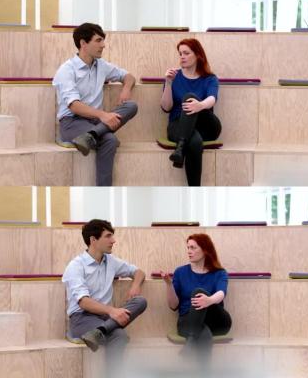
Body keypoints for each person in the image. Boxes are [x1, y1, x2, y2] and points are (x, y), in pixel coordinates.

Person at [52, 23, 138, 186]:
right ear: (83, 43)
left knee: (132, 106)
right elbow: (74, 106)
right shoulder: (67, 70)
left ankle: (91, 136)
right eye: (98, 41)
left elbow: (129, 76)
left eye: (103, 40)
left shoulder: (102, 65)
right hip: (71, 122)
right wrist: (104, 116)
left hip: (95, 122)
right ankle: (104, 189)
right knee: (110, 140)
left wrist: (126, 89)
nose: (103, 45)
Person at [62, 219, 147, 376]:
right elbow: (83, 302)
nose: (113, 241)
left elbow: (139, 272)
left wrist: (135, 285)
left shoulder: (111, 261)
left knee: (141, 301)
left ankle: (99, 331)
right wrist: (112, 311)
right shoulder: (76, 266)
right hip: (82, 317)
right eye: (108, 236)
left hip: (104, 318)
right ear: (93, 240)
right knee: (120, 336)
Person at [160, 233, 231, 364]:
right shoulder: (180, 272)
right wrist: (169, 285)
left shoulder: (219, 273)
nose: (189, 251)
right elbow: (173, 306)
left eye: (193, 248)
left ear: (205, 250)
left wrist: (209, 300)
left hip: (217, 321)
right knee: (204, 334)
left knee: (198, 292)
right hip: (188, 321)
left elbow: (221, 293)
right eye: (188, 248)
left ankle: (191, 338)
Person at [160, 38, 222, 186]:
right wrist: (168, 83)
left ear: (198, 55)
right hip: (178, 125)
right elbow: (166, 108)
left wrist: (199, 105)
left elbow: (212, 98)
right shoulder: (174, 77)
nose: (182, 56)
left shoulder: (210, 78)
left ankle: (180, 147)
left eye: (186, 53)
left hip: (206, 126)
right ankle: (194, 190)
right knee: (194, 142)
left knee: (189, 97)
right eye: (180, 53)